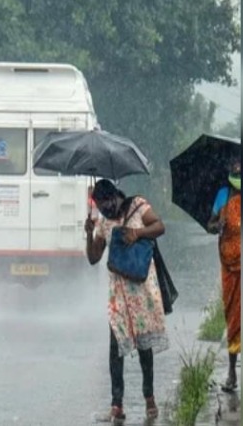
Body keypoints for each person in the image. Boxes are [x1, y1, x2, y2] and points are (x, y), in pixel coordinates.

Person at [85, 179, 168, 423]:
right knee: (115, 349)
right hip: (118, 296)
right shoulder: (103, 223)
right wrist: (89, 234)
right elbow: (93, 258)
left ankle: (149, 399)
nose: (105, 210)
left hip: (141, 291)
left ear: (115, 197)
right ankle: (116, 405)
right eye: (100, 207)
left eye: (107, 204)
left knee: (144, 348)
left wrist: (138, 233)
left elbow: (159, 226)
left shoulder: (138, 206)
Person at [207, 159, 241, 392]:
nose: (237, 168)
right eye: (233, 164)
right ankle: (232, 373)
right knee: (234, 317)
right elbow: (210, 225)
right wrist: (217, 224)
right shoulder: (223, 194)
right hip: (230, 265)